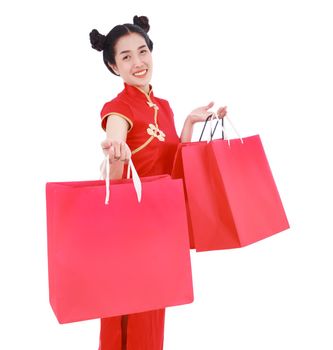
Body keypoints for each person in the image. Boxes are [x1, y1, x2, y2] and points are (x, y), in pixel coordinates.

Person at [90, 15, 227, 350]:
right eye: (126, 57)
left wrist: (188, 127)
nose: (138, 63)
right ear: (112, 66)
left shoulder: (162, 106)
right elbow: (116, 152)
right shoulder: (117, 108)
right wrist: (116, 155)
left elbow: (172, 168)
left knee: (151, 315)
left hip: (162, 225)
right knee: (129, 315)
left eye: (142, 52)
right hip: (133, 228)